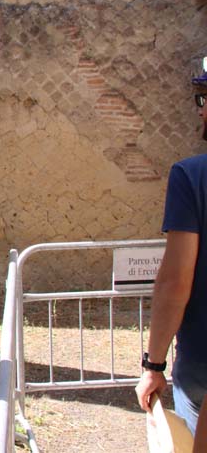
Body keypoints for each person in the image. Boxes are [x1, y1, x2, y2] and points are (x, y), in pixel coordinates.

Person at [136, 78, 207, 450]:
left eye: (204, 99)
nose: (199, 108)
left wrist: (154, 366)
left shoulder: (192, 177)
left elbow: (176, 281)